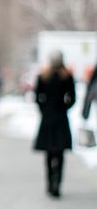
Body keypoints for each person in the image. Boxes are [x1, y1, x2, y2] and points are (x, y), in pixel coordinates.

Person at [33, 50, 76, 198]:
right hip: (61, 118)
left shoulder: (43, 77)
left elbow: (37, 97)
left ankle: (50, 183)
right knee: (60, 153)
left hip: (48, 118)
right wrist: (64, 107)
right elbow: (72, 98)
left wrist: (44, 109)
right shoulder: (67, 77)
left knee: (49, 153)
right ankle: (58, 183)